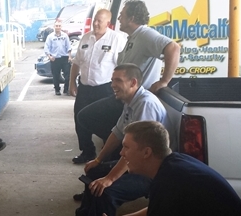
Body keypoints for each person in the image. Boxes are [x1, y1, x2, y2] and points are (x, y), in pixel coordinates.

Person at [75, 0, 180, 164]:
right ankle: (114, 154)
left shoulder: (145, 34)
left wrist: (164, 81)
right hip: (126, 97)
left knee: (88, 116)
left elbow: (173, 48)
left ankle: (119, 155)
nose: (119, 19)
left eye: (122, 16)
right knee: (98, 123)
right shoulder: (133, 37)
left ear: (131, 17)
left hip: (136, 96)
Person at [75, 64, 167, 216]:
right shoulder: (130, 101)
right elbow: (117, 133)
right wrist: (98, 160)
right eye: (112, 80)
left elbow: (137, 150)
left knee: (105, 191)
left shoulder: (146, 104)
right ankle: (86, 211)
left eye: (118, 80)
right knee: (94, 172)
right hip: (138, 163)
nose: (112, 85)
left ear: (133, 82)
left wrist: (110, 179)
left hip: (151, 172)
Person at [118, 121, 241, 216]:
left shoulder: (170, 181)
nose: (121, 153)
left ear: (147, 152)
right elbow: (158, 208)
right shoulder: (173, 164)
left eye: (126, 147)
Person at [69, 9, 128, 164]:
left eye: (99, 21)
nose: (95, 23)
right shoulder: (86, 38)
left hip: (106, 89)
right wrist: (72, 83)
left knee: (106, 122)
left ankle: (108, 153)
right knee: (80, 119)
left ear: (108, 23)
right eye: (95, 20)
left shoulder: (116, 39)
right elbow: (76, 63)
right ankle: (87, 152)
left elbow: (122, 67)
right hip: (85, 88)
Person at [44, 19, 72, 95]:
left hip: (64, 58)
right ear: (54, 27)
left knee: (68, 75)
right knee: (55, 76)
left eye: (59, 26)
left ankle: (66, 90)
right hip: (55, 59)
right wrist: (49, 56)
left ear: (61, 27)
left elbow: (68, 47)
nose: (58, 27)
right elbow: (47, 48)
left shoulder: (65, 36)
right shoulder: (50, 37)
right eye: (56, 26)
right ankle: (57, 90)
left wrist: (69, 57)